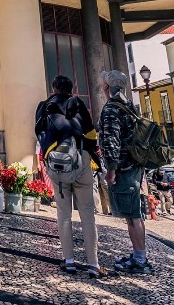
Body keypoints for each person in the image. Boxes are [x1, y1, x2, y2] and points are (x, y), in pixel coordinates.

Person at [35, 75, 105, 278]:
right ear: (71, 89)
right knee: (87, 214)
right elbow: (92, 134)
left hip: (58, 163)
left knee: (63, 215)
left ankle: (70, 261)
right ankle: (93, 263)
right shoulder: (78, 104)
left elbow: (39, 132)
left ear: (53, 88)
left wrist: (50, 152)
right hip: (81, 160)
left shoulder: (45, 106)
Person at [99, 70, 151, 273]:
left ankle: (140, 260)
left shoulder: (111, 110)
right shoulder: (127, 106)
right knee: (134, 214)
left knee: (132, 216)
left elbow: (111, 140)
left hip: (124, 168)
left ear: (107, 86)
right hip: (135, 165)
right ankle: (139, 255)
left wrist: (111, 169)